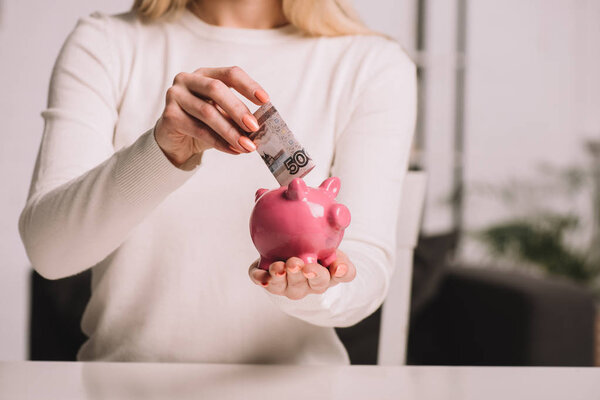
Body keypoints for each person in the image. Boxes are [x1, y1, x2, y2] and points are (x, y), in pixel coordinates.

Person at [19, 0, 416, 364]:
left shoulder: (370, 64)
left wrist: (311, 288)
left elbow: (365, 269)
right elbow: (51, 253)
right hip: (125, 388)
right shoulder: (107, 43)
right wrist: (161, 153)